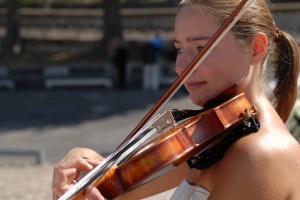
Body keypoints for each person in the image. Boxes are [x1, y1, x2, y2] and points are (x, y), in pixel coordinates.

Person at [52, 0, 300, 199]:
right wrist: (88, 166)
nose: (181, 67)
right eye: (179, 49)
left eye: (201, 48)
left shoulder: (259, 154)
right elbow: (117, 192)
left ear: (256, 48)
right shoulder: (214, 138)